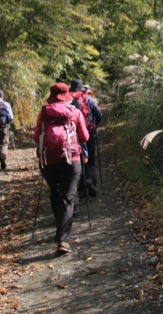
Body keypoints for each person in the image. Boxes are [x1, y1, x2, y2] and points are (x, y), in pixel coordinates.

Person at [33, 82, 90, 255]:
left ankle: (59, 229)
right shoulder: (74, 112)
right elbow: (85, 136)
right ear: (67, 95)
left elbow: (36, 137)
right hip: (71, 160)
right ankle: (62, 239)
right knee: (67, 198)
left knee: (55, 193)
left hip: (48, 160)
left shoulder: (44, 112)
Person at [70, 79, 103, 197]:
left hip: (73, 137)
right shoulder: (89, 100)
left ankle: (81, 188)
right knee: (90, 161)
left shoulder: (69, 101)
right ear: (82, 89)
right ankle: (90, 180)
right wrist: (95, 127)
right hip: (89, 133)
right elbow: (99, 115)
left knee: (78, 161)